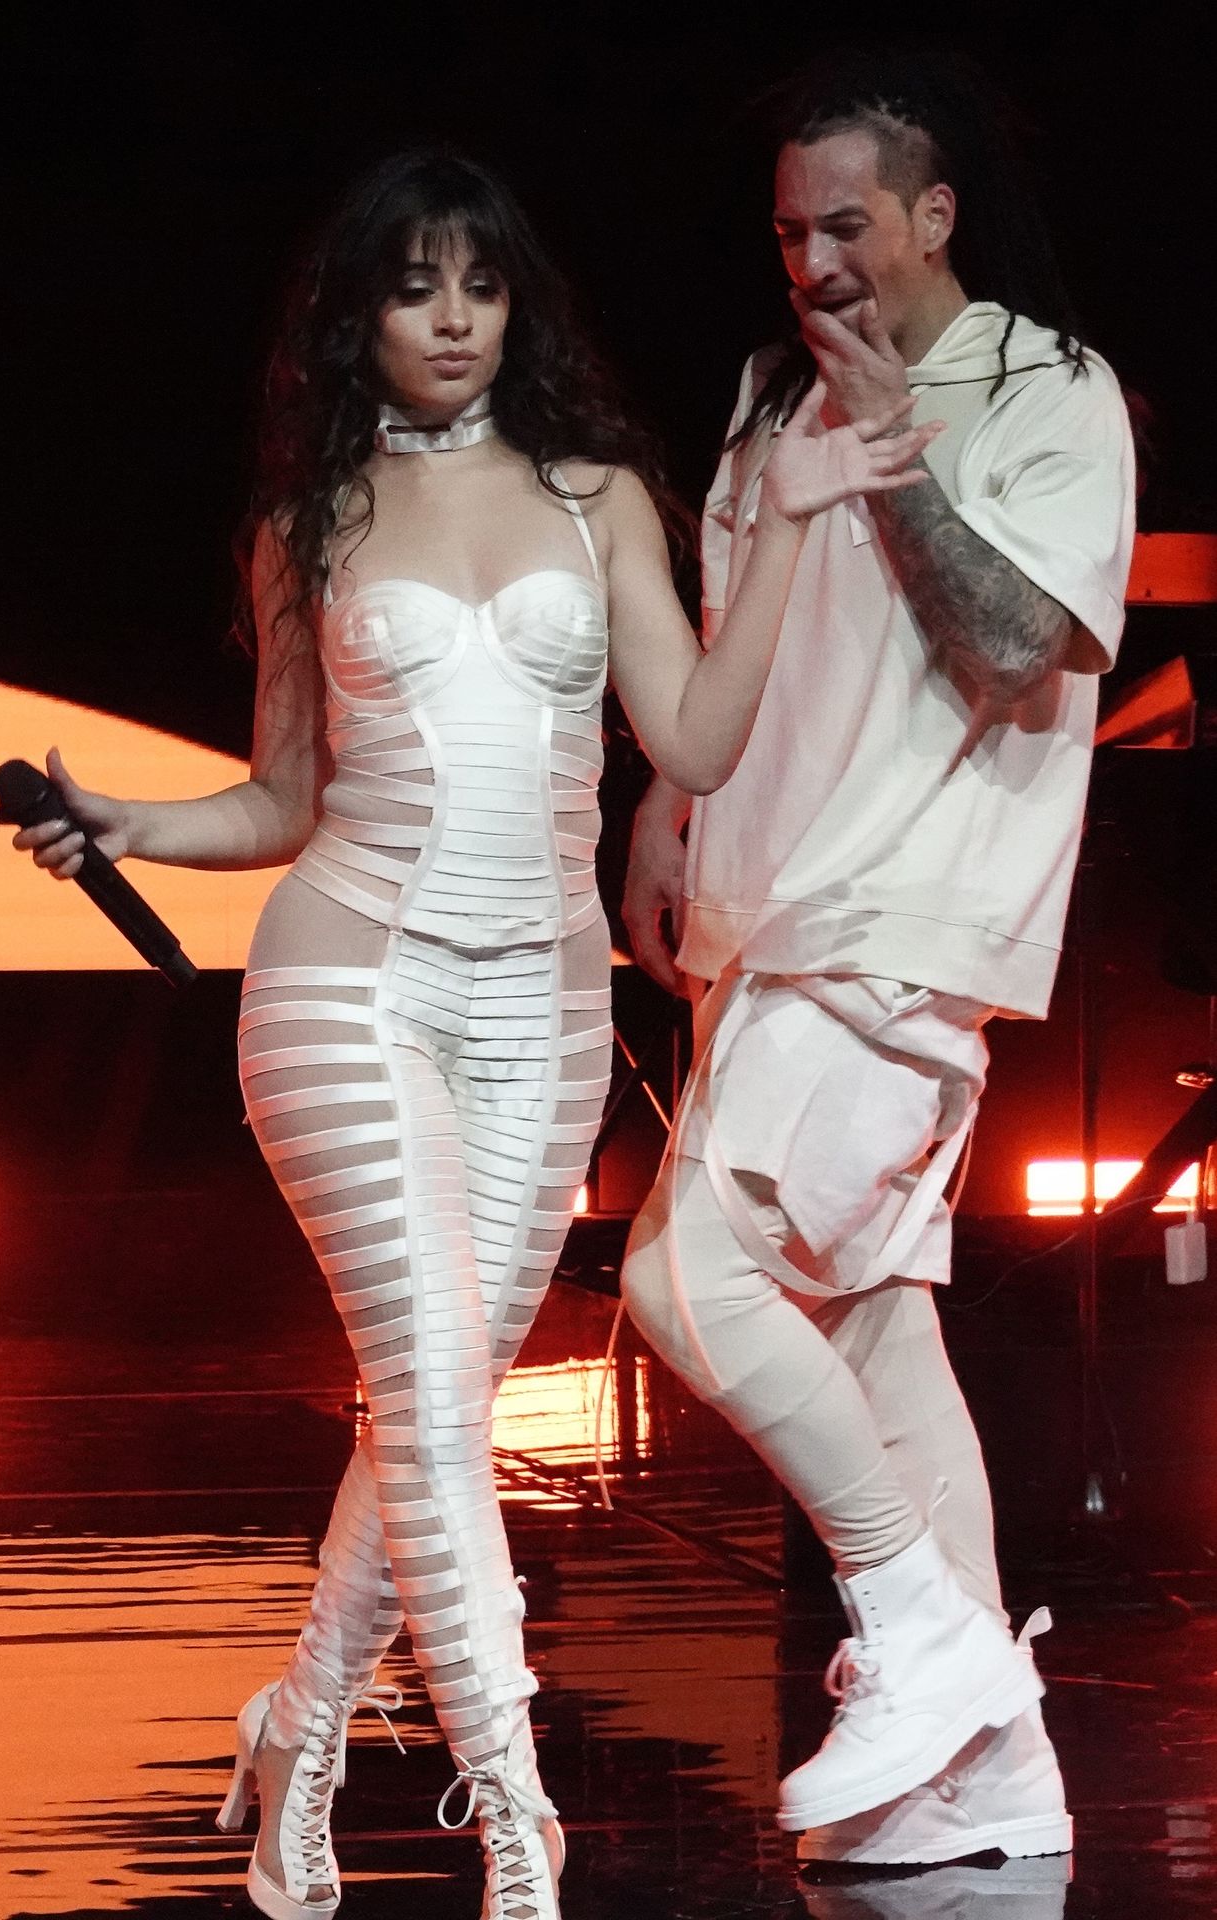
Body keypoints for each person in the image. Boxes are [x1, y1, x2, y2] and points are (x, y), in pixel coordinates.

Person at [0, 148, 935, 1920]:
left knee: (433, 1409)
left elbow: (697, 742)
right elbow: (282, 800)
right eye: (415, 288)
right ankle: (517, 1818)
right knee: (429, 1399)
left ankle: (300, 1726)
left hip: (544, 1004)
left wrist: (798, 519)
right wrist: (123, 822)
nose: (450, 321)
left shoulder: (596, 497)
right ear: (356, 315)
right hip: (350, 981)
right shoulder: (314, 521)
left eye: (480, 288)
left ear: (516, 309)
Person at [620, 50, 1135, 1866]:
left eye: (846, 225)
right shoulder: (768, 397)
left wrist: (889, 450)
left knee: (683, 1284)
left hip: (900, 924)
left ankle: (923, 1633)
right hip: (767, 918)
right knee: (869, 1330)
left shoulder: (1049, 386)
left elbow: (1015, 649)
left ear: (933, 216)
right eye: (787, 234)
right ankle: (994, 1778)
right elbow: (736, 638)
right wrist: (668, 810)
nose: (814, 263)